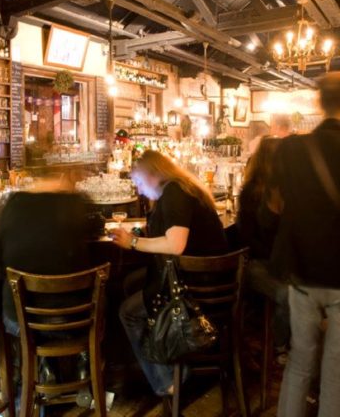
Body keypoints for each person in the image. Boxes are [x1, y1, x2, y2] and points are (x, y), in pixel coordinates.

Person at [112, 150, 228, 398]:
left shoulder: (175, 193)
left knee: (127, 312)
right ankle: (162, 349)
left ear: (153, 174)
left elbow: (175, 245)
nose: (139, 190)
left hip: (194, 289)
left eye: (139, 182)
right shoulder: (182, 187)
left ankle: (168, 380)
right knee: (130, 283)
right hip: (210, 279)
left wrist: (133, 242)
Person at [0, 176, 96, 391]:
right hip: (74, 318)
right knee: (102, 295)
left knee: (13, 297)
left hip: (21, 321)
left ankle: (43, 369)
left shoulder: (11, 205)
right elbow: (94, 232)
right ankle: (84, 361)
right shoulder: (74, 202)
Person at [273, 72, 340, 417]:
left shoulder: (292, 148)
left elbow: (278, 203)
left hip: (301, 268)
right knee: (337, 369)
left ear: (319, 102)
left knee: (299, 362)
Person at [237, 137, 290, 362]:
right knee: (288, 294)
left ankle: (290, 341)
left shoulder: (288, 191)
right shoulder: (251, 193)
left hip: (280, 262)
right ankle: (280, 346)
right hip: (256, 264)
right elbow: (247, 238)